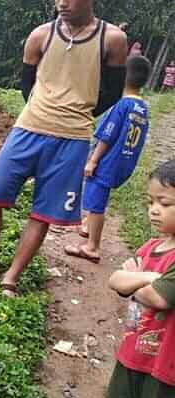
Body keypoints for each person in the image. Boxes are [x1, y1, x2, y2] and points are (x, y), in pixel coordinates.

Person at [0, 0, 128, 297]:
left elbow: (111, 93)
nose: (62, 3)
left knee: (43, 213)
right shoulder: (40, 36)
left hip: (73, 138)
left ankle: (11, 277)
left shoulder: (112, 40)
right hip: (28, 128)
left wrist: (79, 113)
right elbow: (26, 84)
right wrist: (42, 109)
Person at [99, 160, 175, 398]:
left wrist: (135, 280)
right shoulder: (151, 246)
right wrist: (151, 277)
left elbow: (159, 297)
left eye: (165, 204)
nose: (154, 210)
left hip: (167, 367)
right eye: (150, 202)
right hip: (134, 351)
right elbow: (116, 279)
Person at [66, 56, 152, 263]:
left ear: (123, 77)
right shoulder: (142, 108)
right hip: (124, 161)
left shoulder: (121, 105)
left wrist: (93, 160)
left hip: (107, 162)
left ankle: (92, 247)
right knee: (98, 199)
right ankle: (89, 225)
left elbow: (107, 136)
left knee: (96, 202)